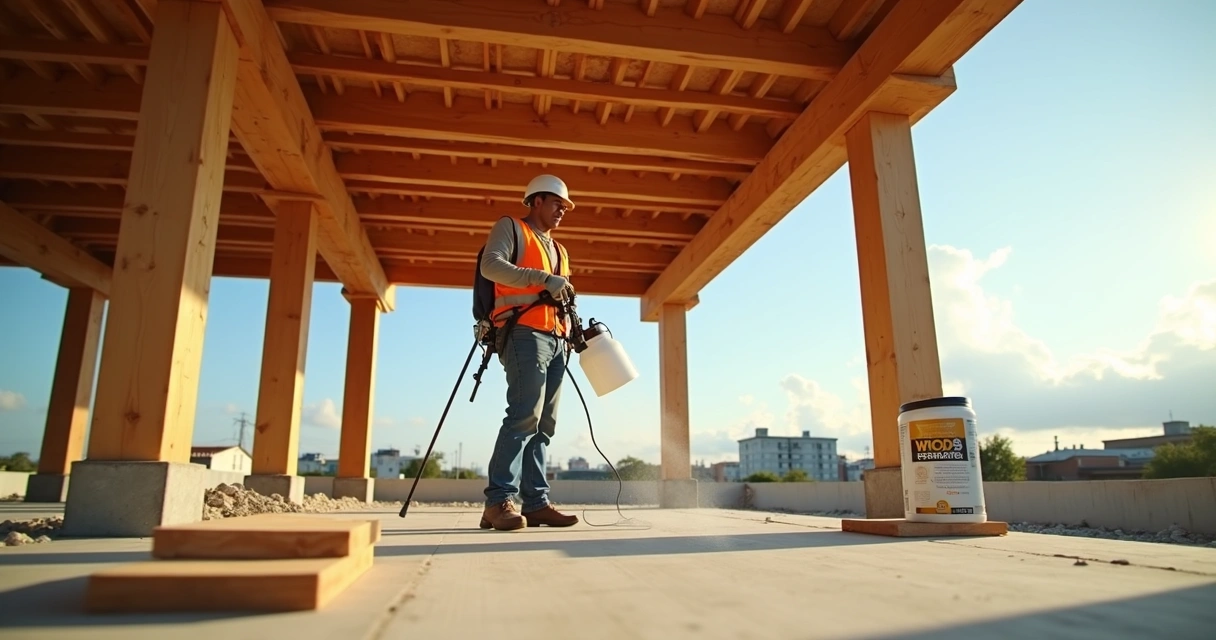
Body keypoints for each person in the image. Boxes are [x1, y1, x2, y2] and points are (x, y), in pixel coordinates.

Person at [477, 174, 581, 531]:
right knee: (524, 416)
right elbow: (490, 265)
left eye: (565, 207)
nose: (562, 212)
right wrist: (543, 279)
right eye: (557, 204)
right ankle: (497, 501)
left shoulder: (560, 249)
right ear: (536, 201)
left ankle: (535, 503)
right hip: (523, 333)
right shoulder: (511, 228)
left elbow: (558, 295)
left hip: (557, 340)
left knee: (544, 426)